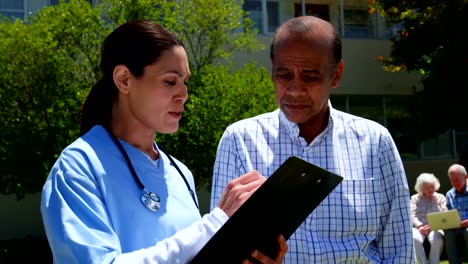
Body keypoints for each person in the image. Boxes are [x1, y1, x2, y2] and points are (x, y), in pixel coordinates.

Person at [40, 19, 288, 264]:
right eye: (170, 81)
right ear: (124, 79)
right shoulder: (77, 167)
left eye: (185, 82)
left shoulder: (180, 173)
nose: (184, 95)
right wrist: (215, 222)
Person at [210, 15, 414, 263]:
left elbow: (399, 248)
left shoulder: (375, 142)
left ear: (336, 74)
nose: (295, 90)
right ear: (272, 70)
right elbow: (223, 250)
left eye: (310, 77)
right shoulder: (239, 141)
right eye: (283, 75)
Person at [410, 173, 447, 264]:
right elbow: (411, 214)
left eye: (431, 186)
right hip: (419, 228)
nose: (430, 189)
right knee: (414, 238)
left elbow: (445, 214)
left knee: (436, 240)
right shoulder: (415, 198)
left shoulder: (440, 197)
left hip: (435, 227)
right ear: (421, 188)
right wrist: (420, 226)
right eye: (426, 187)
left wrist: (432, 226)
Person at [445, 164, 468, 264]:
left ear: (465, 177)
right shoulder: (449, 194)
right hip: (457, 226)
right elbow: (449, 212)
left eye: (457, 179)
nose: (454, 182)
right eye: (452, 180)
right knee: (448, 232)